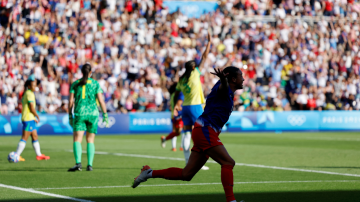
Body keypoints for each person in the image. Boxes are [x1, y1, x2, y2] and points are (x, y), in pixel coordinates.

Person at [132, 66, 244, 202]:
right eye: (241, 76)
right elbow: (223, 86)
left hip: (203, 130)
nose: (243, 79)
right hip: (205, 130)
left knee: (187, 174)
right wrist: (223, 80)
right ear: (233, 79)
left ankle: (149, 173)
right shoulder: (223, 87)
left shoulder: (227, 91)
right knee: (228, 162)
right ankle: (231, 200)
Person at [173, 32, 211, 168]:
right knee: (202, 133)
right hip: (195, 106)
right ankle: (199, 162)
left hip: (186, 107)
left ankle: (188, 161)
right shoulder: (195, 74)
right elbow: (205, 57)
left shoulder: (182, 79)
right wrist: (209, 42)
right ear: (193, 67)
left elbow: (177, 93)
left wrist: (175, 106)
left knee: (186, 132)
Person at [67, 64, 109, 172]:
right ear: (91, 72)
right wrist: (105, 114)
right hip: (93, 114)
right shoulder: (95, 84)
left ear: (81, 72)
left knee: (77, 139)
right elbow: (101, 100)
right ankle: (89, 165)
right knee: (90, 140)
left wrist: (69, 115)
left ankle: (78, 163)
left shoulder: (75, 84)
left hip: (80, 113)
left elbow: (71, 101)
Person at [14, 75, 50, 161]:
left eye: (35, 85)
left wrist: (33, 117)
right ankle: (16, 155)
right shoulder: (29, 93)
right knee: (24, 137)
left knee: (35, 136)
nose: (35, 86)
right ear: (29, 86)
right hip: (28, 119)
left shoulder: (28, 93)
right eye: (33, 85)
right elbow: (31, 107)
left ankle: (39, 155)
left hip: (30, 118)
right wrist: (37, 115)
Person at [161, 82, 184, 151]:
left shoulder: (173, 95)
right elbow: (179, 106)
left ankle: (172, 145)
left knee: (176, 131)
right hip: (179, 115)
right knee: (182, 130)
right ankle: (182, 146)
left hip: (173, 115)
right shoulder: (179, 94)